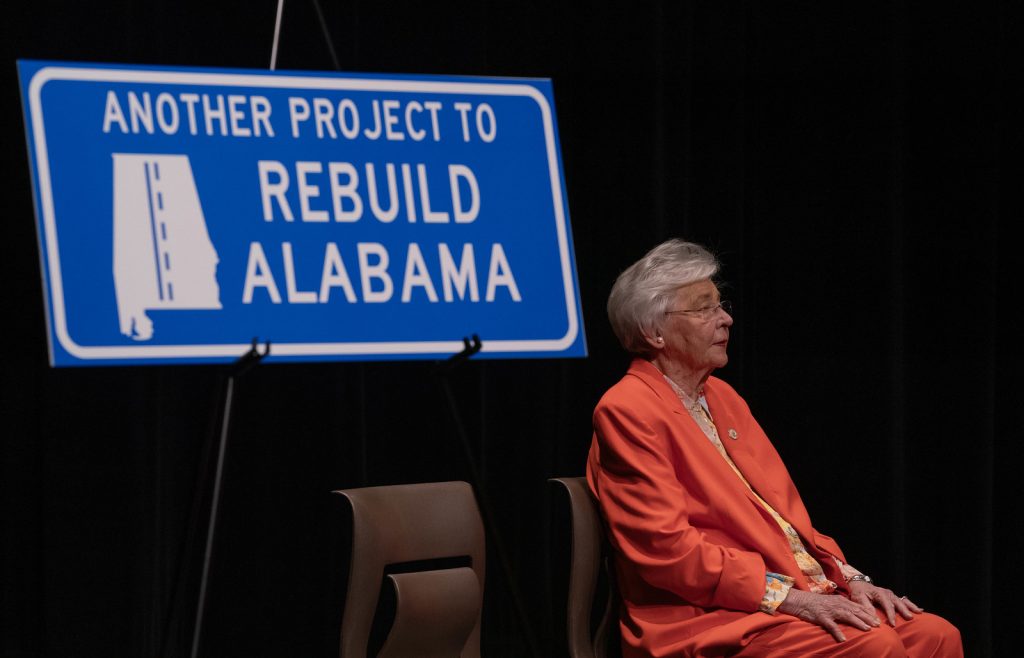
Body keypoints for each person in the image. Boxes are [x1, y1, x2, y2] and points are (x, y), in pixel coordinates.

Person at [587, 239, 962, 657]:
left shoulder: (723, 397)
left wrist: (852, 580)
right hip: (704, 616)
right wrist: (793, 599)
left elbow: (788, 521)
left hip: (778, 595)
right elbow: (667, 552)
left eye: (721, 304)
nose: (726, 319)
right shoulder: (627, 409)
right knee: (874, 645)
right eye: (704, 309)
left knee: (935, 635)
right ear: (653, 332)